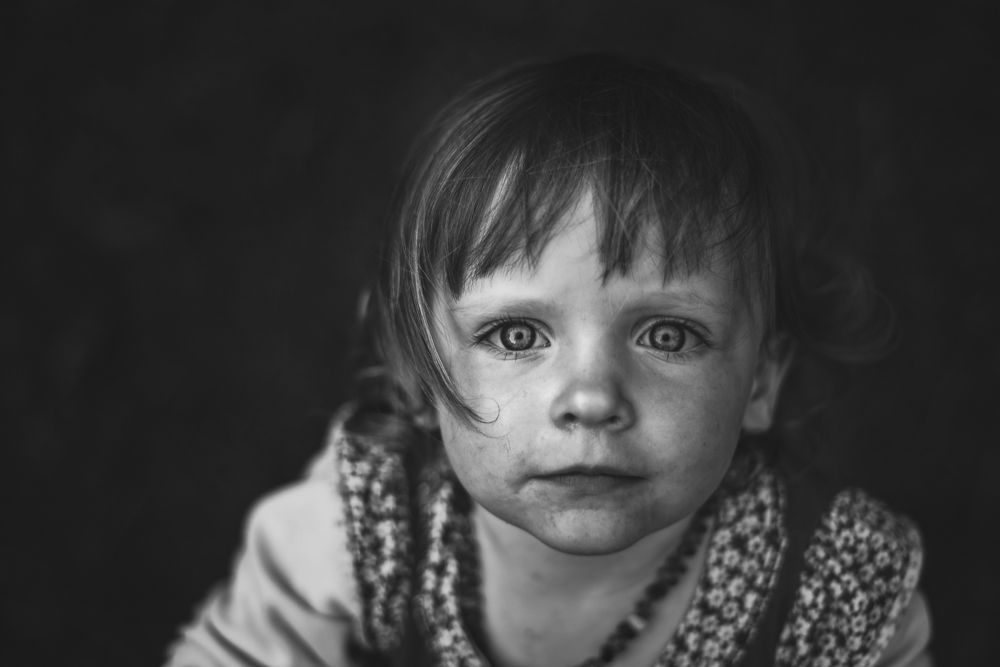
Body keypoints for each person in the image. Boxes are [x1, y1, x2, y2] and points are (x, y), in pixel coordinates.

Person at [164, 54, 932, 667]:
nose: (592, 398)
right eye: (516, 335)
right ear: (419, 374)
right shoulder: (357, 525)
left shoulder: (838, 586)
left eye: (667, 335)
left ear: (761, 380)